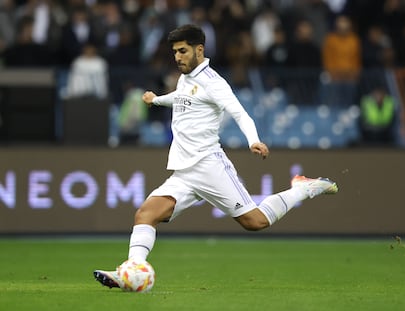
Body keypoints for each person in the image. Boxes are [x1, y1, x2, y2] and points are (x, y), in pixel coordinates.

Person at [93, 24, 338, 289]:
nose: (177, 57)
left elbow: (240, 113)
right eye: (175, 52)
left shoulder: (214, 83)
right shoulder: (186, 78)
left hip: (210, 166)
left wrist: (253, 140)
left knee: (255, 222)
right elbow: (182, 97)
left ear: (199, 49)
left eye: (183, 51)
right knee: (145, 214)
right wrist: (157, 100)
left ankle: (302, 189)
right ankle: (131, 271)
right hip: (185, 172)